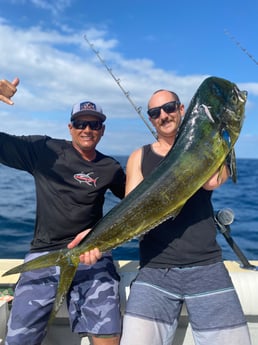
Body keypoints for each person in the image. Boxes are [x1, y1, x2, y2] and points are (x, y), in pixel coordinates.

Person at [71, 89, 251, 345]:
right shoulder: (139, 157)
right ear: (151, 118)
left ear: (182, 109)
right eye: (155, 112)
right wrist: (96, 237)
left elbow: (211, 181)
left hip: (206, 265)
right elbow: (130, 210)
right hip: (155, 270)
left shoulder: (207, 147)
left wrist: (221, 136)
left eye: (169, 108)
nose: (163, 115)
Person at [0, 77, 126, 345]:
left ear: (102, 130)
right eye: (81, 123)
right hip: (45, 253)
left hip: (93, 254)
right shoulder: (43, 150)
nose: (87, 129)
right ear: (70, 127)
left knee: (108, 335)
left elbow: (135, 205)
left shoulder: (111, 168)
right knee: (18, 339)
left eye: (94, 124)